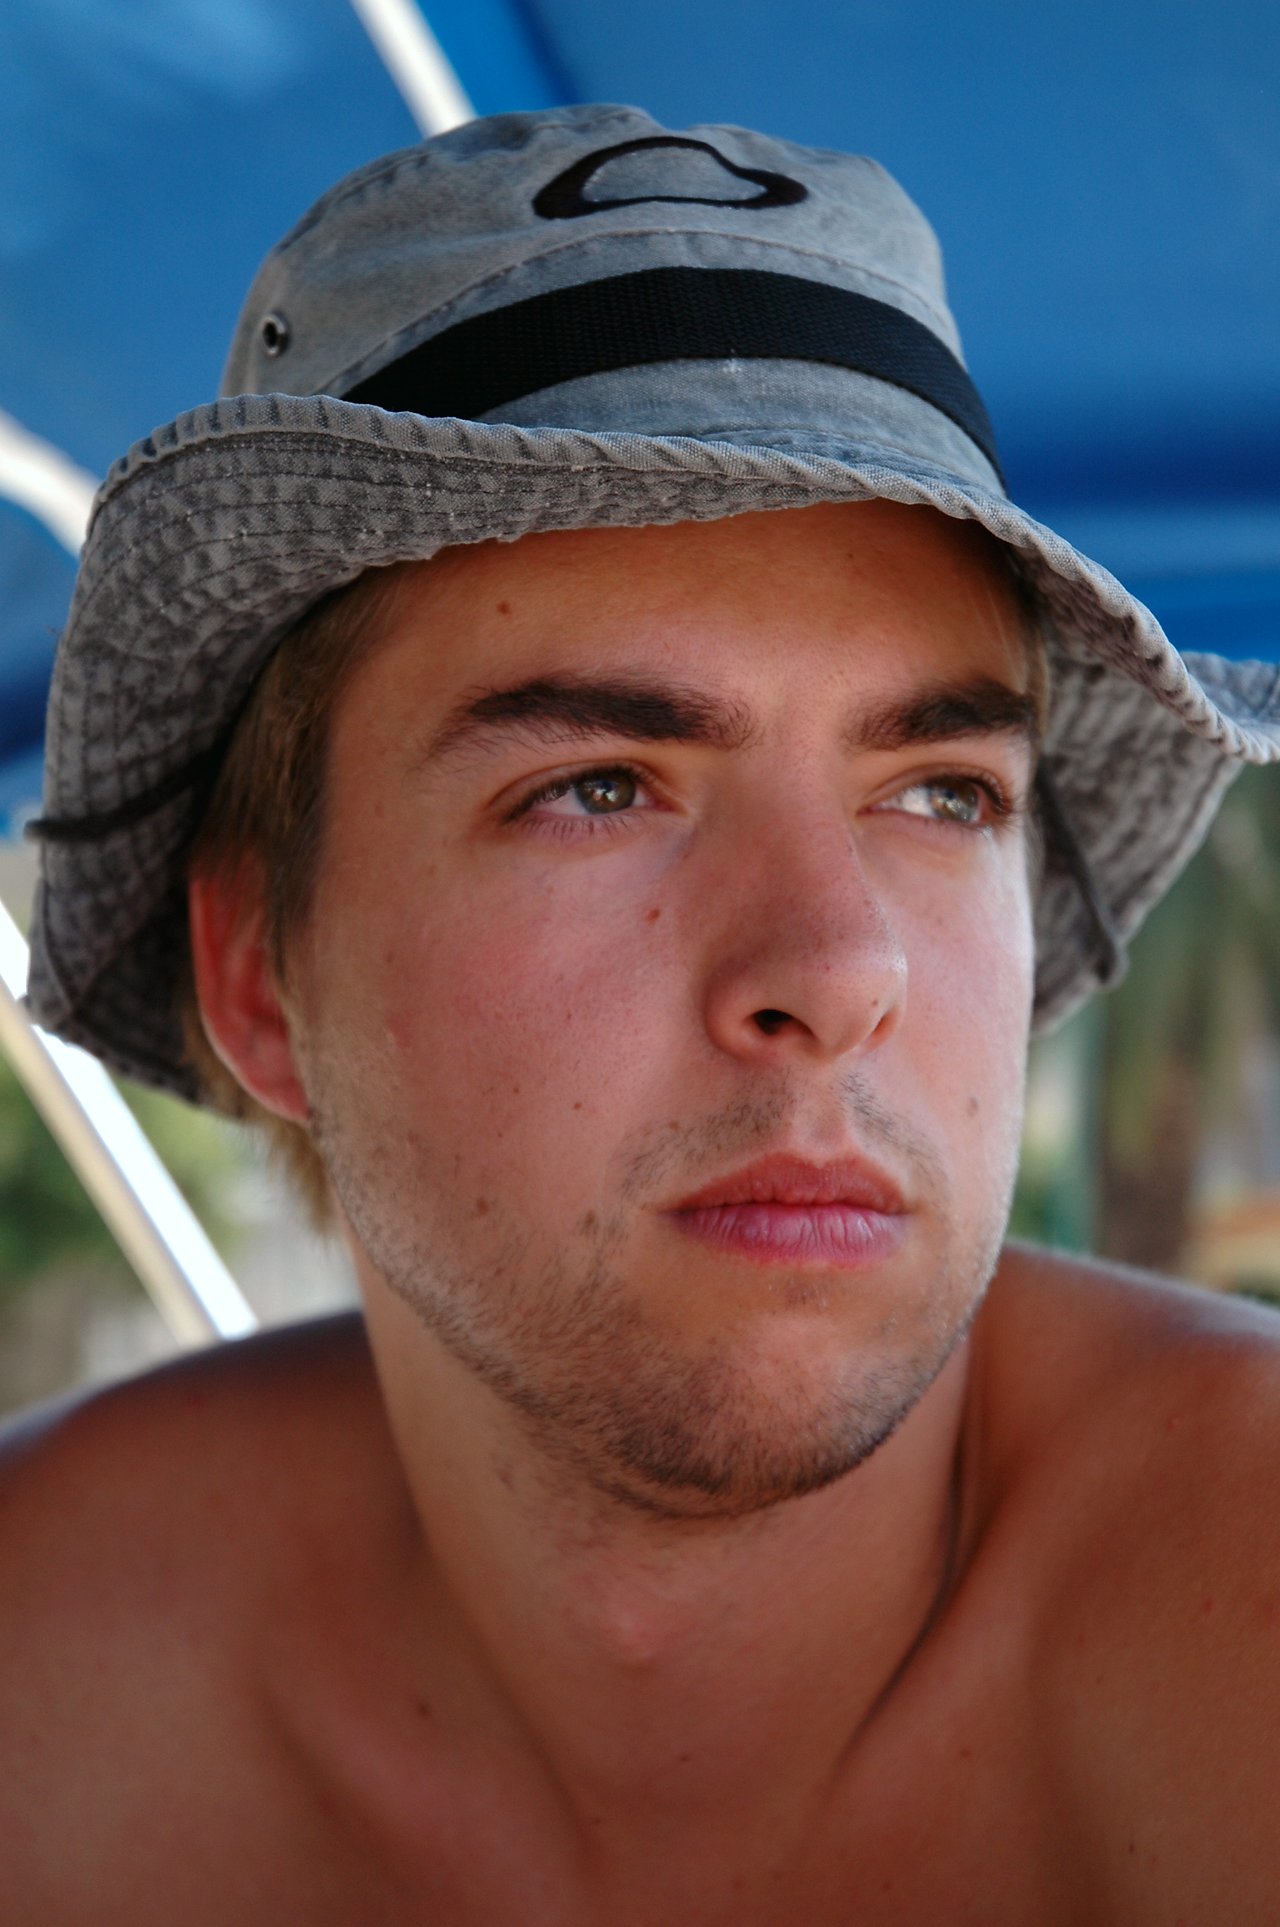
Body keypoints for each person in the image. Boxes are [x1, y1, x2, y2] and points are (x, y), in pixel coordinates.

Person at [4, 104, 1280, 1923]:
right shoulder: (45, 1703)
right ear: (259, 981)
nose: (839, 976)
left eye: (940, 792)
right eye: (600, 786)